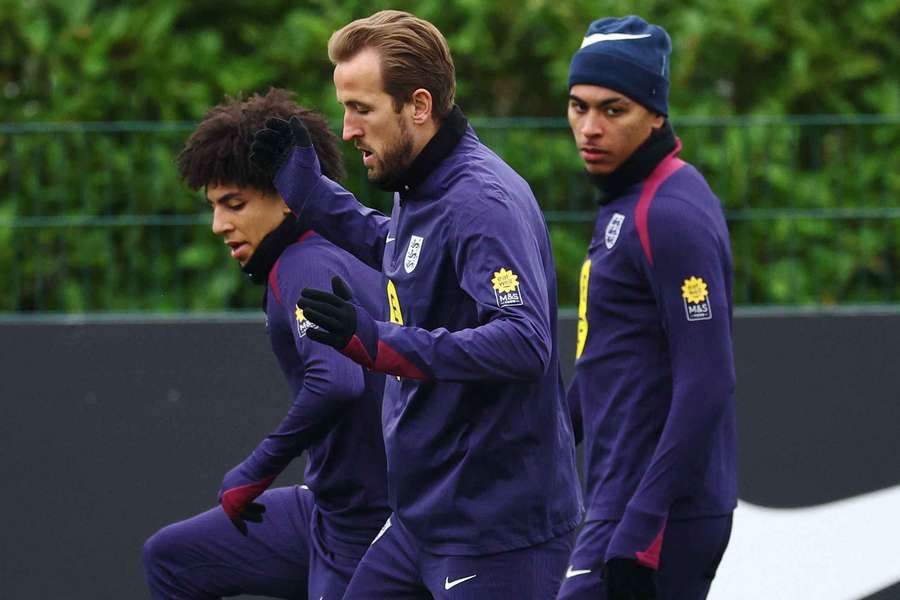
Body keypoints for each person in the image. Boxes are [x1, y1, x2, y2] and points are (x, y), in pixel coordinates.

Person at [250, 10, 582, 599]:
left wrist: (377, 343)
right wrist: (307, 193)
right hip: (421, 522)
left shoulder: (482, 201)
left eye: (361, 109)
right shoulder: (421, 183)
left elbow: (526, 341)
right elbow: (405, 250)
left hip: (495, 533)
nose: (348, 131)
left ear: (419, 106)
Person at [141, 88, 390, 600]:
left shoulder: (302, 264)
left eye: (234, 204)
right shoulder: (346, 247)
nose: (219, 225)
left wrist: (253, 470)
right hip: (332, 508)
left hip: (364, 528)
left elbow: (337, 379)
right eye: (214, 207)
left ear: (288, 193)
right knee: (171, 558)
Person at [555, 15, 737, 600]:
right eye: (578, 107)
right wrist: (540, 449)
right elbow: (604, 359)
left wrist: (642, 525)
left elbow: (708, 380)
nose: (589, 127)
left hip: (657, 516)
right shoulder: (622, 200)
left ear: (655, 113)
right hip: (616, 500)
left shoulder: (670, 211)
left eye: (613, 110)